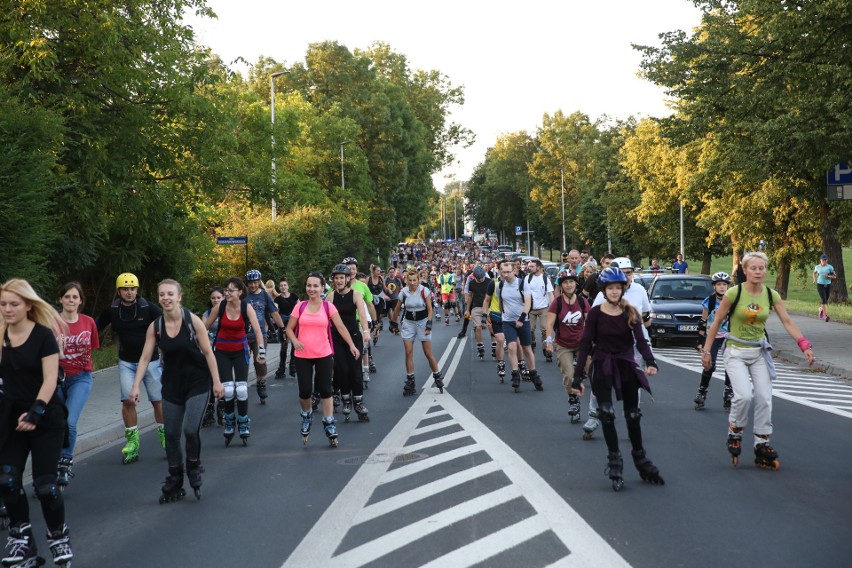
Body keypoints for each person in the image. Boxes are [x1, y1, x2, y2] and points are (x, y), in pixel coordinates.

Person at [703, 251, 815, 470]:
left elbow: (787, 320)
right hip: (735, 351)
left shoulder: (771, 295)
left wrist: (804, 344)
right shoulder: (734, 294)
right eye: (753, 268)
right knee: (744, 396)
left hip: (759, 353)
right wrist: (707, 351)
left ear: (765, 270)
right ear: (744, 270)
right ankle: (735, 432)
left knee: (764, 397)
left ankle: (762, 444)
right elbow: (715, 322)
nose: (757, 272)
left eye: (761, 268)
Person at [0, 279, 74, 565]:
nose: (7, 309)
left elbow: (50, 379)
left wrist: (36, 411)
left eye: (14, 304)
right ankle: (22, 540)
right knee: (6, 481)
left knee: (46, 486)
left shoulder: (43, 336)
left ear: (28, 305)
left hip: (45, 417)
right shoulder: (1, 335)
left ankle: (58, 537)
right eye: (4, 304)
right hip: (11, 419)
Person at [129, 280, 225, 502]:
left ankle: (193, 465)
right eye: (162, 294)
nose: (166, 298)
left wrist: (217, 382)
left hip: (198, 383)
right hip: (172, 385)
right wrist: (135, 386)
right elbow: (145, 357)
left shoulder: (193, 322)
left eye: (170, 294)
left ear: (179, 297)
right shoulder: (156, 327)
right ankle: (174, 478)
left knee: (190, 430)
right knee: (171, 434)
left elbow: (209, 353)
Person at [570, 267, 663, 491]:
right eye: (610, 288)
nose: (614, 292)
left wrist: (650, 362)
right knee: (607, 413)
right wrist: (577, 377)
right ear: (603, 290)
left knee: (632, 414)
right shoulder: (595, 314)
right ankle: (615, 460)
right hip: (602, 365)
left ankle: (640, 458)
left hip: (625, 365)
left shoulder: (630, 311)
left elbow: (641, 341)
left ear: (622, 289)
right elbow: (585, 345)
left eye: (617, 288)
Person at [96, 272, 164, 464]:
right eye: (125, 289)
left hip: (151, 361)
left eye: (132, 288)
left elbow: (167, 326)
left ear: (137, 289)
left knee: (157, 400)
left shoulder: (148, 308)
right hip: (127, 362)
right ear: (119, 291)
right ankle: (132, 444)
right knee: (128, 402)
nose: (129, 292)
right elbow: (94, 328)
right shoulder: (112, 310)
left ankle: (167, 438)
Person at [285, 273, 360, 446]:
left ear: (322, 288)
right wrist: (295, 341)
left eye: (315, 286)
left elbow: (341, 327)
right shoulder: (300, 307)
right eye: (309, 286)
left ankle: (329, 421)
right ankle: (306, 415)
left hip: (323, 353)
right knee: (305, 391)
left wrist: (352, 345)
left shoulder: (328, 307)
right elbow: (289, 328)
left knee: (326, 390)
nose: (312, 289)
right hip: (302, 354)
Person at [204, 277, 266, 446]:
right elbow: (205, 326)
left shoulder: (247, 308)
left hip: (240, 351)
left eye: (231, 290)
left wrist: (261, 353)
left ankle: (244, 421)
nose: (227, 292)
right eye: (226, 289)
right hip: (222, 352)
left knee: (242, 389)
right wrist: (202, 344)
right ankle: (230, 421)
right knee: (228, 390)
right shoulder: (220, 306)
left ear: (240, 292)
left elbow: (259, 332)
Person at [55, 282, 100, 490]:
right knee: (55, 424)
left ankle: (65, 462)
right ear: (60, 299)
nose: (71, 301)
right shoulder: (51, 322)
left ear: (81, 301)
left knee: (70, 421)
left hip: (81, 377)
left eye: (75, 297)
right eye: (67, 297)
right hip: (55, 378)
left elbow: (92, 348)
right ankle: (51, 464)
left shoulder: (88, 322)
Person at [326, 264, 371, 422]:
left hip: (354, 337)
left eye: (341, 278)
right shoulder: (330, 297)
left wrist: (366, 331)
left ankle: (358, 402)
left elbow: (363, 315)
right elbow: (325, 318)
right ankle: (346, 400)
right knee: (342, 370)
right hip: (337, 338)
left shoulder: (356, 295)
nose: (339, 281)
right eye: (336, 278)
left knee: (355, 370)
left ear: (347, 279)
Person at [390, 269, 444, 396]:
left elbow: (430, 309)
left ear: (418, 280)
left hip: (423, 321)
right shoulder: (404, 292)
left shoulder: (424, 290)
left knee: (427, 353)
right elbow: (397, 308)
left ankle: (437, 375)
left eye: (415, 280)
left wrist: (429, 324)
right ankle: (410, 381)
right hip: (408, 322)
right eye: (410, 280)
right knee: (408, 352)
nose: (413, 283)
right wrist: (393, 323)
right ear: (406, 280)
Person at [545, 270, 589, 424]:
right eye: (565, 282)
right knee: (569, 375)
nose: (569, 285)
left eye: (571, 282)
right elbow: (549, 323)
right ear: (561, 285)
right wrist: (549, 341)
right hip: (563, 344)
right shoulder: (557, 303)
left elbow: (590, 323)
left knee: (593, 370)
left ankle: (597, 404)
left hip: (582, 343)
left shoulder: (583, 302)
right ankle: (573, 400)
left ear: (575, 284)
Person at [496, 260, 542, 393]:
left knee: (527, 348)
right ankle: (515, 373)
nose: (505, 275)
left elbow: (527, 302)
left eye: (508, 272)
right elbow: (501, 302)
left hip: (523, 320)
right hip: (508, 321)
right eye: (503, 272)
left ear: (514, 271)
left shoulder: (522, 283)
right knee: (511, 347)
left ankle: (533, 373)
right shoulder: (500, 285)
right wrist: (503, 315)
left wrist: (522, 318)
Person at [243, 270, 285, 405]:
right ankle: (240, 389)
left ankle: (261, 383)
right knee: (243, 363)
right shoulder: (243, 296)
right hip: (243, 335)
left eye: (255, 282)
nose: (253, 285)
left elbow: (274, 313)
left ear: (259, 282)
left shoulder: (265, 296)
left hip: (259, 334)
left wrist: (282, 328)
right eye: (250, 283)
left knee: (259, 360)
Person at [694, 273, 734, 411]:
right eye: (719, 284)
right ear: (714, 286)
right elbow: (703, 322)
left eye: (724, 284)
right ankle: (702, 392)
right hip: (713, 337)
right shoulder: (709, 301)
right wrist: (700, 341)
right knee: (709, 365)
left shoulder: (732, 301)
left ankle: (728, 393)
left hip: (729, 336)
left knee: (731, 365)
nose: (722, 287)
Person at [201, 286, 225, 427]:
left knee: (222, 379)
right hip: (210, 349)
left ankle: (222, 409)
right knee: (211, 380)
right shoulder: (207, 313)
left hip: (224, 348)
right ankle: (209, 410)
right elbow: (202, 329)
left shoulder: (228, 312)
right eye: (213, 298)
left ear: (223, 298)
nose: (216, 300)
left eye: (218, 297)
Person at [526, 259, 554, 361]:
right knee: (530, 329)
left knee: (544, 329)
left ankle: (546, 350)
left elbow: (550, 293)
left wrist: (553, 307)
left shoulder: (545, 279)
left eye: (532, 266)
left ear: (538, 267)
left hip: (543, 308)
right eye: (529, 266)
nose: (529, 268)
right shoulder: (527, 278)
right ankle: (532, 342)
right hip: (531, 308)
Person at [273, 278, 299, 379]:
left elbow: (299, 306)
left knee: (294, 344)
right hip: (283, 323)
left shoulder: (294, 296)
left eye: (285, 285)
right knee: (284, 346)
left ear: (288, 286)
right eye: (281, 286)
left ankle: (293, 366)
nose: (283, 287)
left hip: (294, 322)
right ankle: (281, 368)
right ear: (279, 288)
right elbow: (275, 310)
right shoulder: (278, 299)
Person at [813, 253, 836, 322]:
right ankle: (826, 315)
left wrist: (828, 276)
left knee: (826, 299)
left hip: (827, 284)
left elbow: (834, 276)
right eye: (823, 260)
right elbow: (814, 273)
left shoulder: (830, 267)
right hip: (820, 284)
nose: (824, 261)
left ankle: (821, 309)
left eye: (826, 260)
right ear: (820, 260)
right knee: (824, 299)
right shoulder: (817, 267)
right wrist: (814, 280)